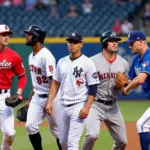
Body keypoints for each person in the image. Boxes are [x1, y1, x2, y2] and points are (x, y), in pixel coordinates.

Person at [45, 32, 100, 150]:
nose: (71, 44)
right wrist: (50, 101)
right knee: (63, 141)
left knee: (72, 141)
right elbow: (55, 83)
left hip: (79, 105)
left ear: (81, 44)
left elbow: (93, 87)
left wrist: (87, 107)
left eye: (75, 42)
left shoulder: (88, 63)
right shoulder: (61, 62)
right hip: (62, 105)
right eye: (70, 42)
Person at [82, 30, 128, 150]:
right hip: (95, 105)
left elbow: (125, 89)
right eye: (111, 41)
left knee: (122, 141)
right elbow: (83, 84)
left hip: (113, 106)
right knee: (92, 135)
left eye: (116, 41)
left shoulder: (123, 63)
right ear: (103, 43)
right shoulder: (91, 62)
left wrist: (123, 86)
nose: (115, 43)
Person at [23, 25, 61, 150]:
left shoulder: (47, 56)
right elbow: (35, 83)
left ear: (37, 38)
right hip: (38, 97)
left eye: (29, 34)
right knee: (30, 126)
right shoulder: (30, 56)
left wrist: (50, 101)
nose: (26, 36)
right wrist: (29, 100)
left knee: (56, 132)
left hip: (53, 97)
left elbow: (53, 82)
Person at [0, 24, 27, 150]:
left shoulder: (13, 56)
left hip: (4, 98)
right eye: (3, 35)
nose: (6, 37)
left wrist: (19, 93)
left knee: (9, 133)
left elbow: (22, 76)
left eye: (7, 35)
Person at [123, 30, 150, 150]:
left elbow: (140, 80)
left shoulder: (149, 55)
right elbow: (130, 80)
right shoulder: (135, 59)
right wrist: (123, 85)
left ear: (141, 42)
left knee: (142, 125)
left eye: (132, 43)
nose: (129, 46)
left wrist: (127, 89)